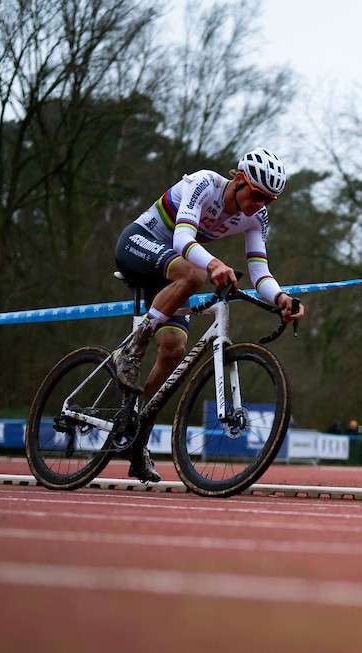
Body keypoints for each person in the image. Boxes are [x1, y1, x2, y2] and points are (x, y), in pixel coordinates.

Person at [113, 147, 305, 482]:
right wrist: (214, 263)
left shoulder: (256, 217)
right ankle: (131, 349)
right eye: (258, 194)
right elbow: (182, 237)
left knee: (173, 348)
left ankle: (135, 432)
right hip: (140, 243)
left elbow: (259, 271)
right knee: (194, 275)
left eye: (270, 200)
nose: (261, 204)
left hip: (172, 269)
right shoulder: (204, 183)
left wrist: (281, 297)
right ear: (239, 180)